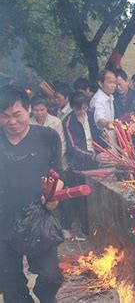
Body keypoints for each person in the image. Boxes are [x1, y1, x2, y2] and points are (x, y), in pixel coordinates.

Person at [0, 85, 64, 302]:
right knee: (10, 285)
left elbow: (59, 174)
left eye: (17, 114)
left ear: (28, 109)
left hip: (39, 218)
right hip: (3, 220)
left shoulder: (48, 137)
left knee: (50, 276)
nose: (12, 122)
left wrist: (54, 195)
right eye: (4, 116)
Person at [63, 93, 108, 236]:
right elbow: (73, 147)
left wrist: (107, 147)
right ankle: (86, 229)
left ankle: (97, 227)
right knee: (82, 199)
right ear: (72, 108)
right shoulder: (68, 122)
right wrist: (94, 156)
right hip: (79, 165)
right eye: (78, 109)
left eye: (83, 108)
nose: (82, 112)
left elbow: (99, 136)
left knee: (96, 196)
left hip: (95, 162)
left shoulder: (90, 115)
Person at [90, 69, 117, 143]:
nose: (113, 85)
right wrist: (110, 125)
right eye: (109, 82)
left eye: (114, 82)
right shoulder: (98, 99)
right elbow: (100, 119)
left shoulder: (110, 96)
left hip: (112, 139)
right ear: (100, 83)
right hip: (102, 142)